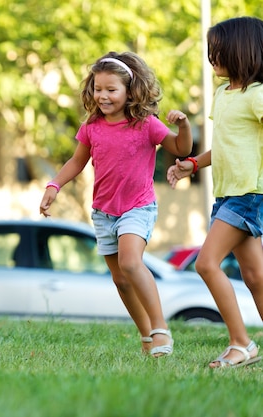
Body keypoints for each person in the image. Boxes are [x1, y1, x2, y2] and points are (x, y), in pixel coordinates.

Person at [39, 51, 193, 357]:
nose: (103, 96)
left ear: (129, 90)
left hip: (138, 207)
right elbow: (77, 161)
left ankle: (161, 329)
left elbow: (180, 147)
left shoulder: (146, 124)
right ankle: (146, 336)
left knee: (131, 262)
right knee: (121, 279)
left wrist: (184, 125)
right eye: (98, 89)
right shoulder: (92, 127)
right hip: (103, 213)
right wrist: (54, 185)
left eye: (112, 90)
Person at [167, 16, 263, 368]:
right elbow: (225, 146)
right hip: (226, 195)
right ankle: (242, 342)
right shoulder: (223, 95)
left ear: (242, 51)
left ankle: (241, 343)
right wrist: (193, 164)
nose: (212, 58)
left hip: (248, 196)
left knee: (206, 264)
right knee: (255, 277)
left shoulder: (257, 96)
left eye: (218, 51)